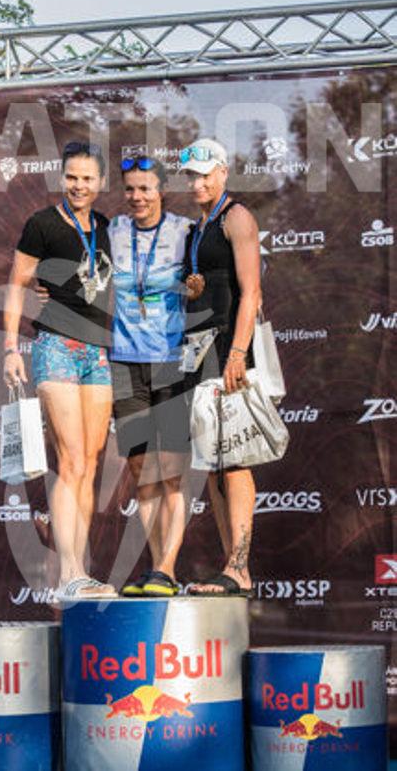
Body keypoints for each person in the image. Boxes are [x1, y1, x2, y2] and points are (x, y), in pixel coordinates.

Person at [3, 141, 115, 599]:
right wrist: (11, 348)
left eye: (87, 178)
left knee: (89, 463)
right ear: (61, 177)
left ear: (101, 182)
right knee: (69, 461)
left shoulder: (107, 227)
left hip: (99, 351)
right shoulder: (42, 224)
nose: (78, 186)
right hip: (56, 347)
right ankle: (69, 571)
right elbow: (17, 284)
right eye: (71, 177)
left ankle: (78, 570)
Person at [180, 137, 261, 596]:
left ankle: (240, 566)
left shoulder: (237, 216)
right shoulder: (198, 227)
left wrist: (237, 353)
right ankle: (233, 570)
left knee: (235, 458)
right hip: (200, 350)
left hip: (230, 350)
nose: (198, 183)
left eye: (205, 174)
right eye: (192, 176)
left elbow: (251, 292)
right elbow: (210, 285)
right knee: (214, 462)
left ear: (223, 172)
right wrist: (192, 290)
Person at [108, 156, 193, 597]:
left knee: (172, 473)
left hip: (172, 360)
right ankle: (159, 570)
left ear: (161, 190)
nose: (137, 196)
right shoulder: (113, 231)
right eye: (130, 189)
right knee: (143, 473)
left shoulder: (184, 231)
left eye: (145, 188)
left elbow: (218, 272)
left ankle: (167, 568)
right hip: (125, 362)